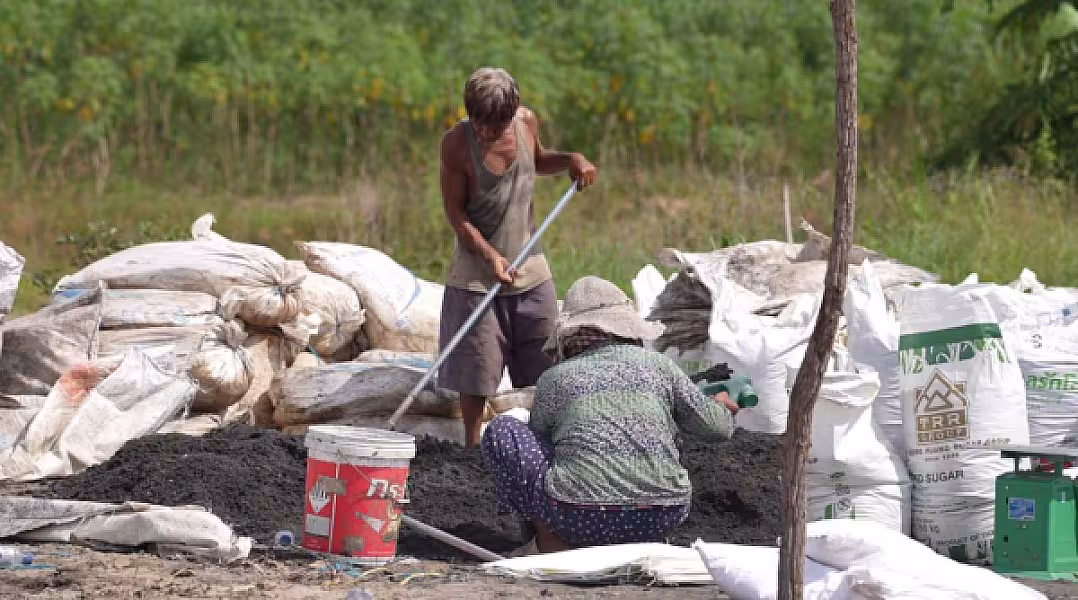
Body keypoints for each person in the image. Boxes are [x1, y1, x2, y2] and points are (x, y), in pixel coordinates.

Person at [480, 276, 740, 553]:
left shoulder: (555, 378)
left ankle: (550, 540)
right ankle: (640, 537)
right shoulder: (660, 367)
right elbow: (716, 429)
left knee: (503, 430)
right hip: (663, 513)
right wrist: (722, 407)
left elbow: (543, 446)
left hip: (579, 516)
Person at [438, 67, 598, 447]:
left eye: (494, 126)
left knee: (546, 366)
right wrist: (489, 256)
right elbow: (456, 214)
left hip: (530, 269)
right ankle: (472, 449)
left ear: (511, 114)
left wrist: (572, 160)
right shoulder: (457, 144)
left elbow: (539, 161)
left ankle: (547, 444)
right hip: (477, 276)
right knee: (476, 373)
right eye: (478, 123)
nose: (484, 133)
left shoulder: (526, 123)